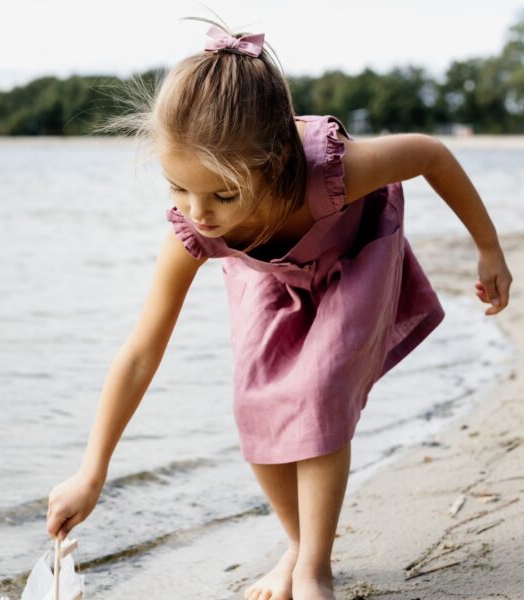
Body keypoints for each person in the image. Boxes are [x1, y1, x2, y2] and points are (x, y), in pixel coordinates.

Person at [45, 15, 513, 600]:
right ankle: (295, 545)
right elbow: (142, 350)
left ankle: (315, 567)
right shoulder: (198, 227)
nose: (198, 212)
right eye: (177, 187)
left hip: (352, 254)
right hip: (268, 275)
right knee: (255, 402)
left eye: (222, 193)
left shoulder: (333, 173)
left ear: (275, 163)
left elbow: (431, 155)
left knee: (318, 387)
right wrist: (92, 471)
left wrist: (490, 249)